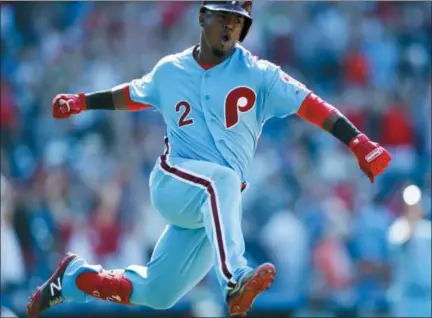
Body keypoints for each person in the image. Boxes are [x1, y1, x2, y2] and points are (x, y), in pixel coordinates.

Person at [27, 1, 392, 317]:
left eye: (239, 20)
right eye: (224, 16)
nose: (231, 25)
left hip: (211, 207)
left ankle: (73, 279)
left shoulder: (259, 74)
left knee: (159, 293)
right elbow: (134, 94)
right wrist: (82, 101)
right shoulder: (171, 69)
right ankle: (235, 279)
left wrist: (357, 140)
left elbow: (309, 104)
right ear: (203, 17)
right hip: (173, 183)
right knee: (223, 180)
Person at [387, 185, 431, 317]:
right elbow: (402, 244)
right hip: (406, 299)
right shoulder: (398, 229)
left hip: (428, 297)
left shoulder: (428, 229)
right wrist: (412, 220)